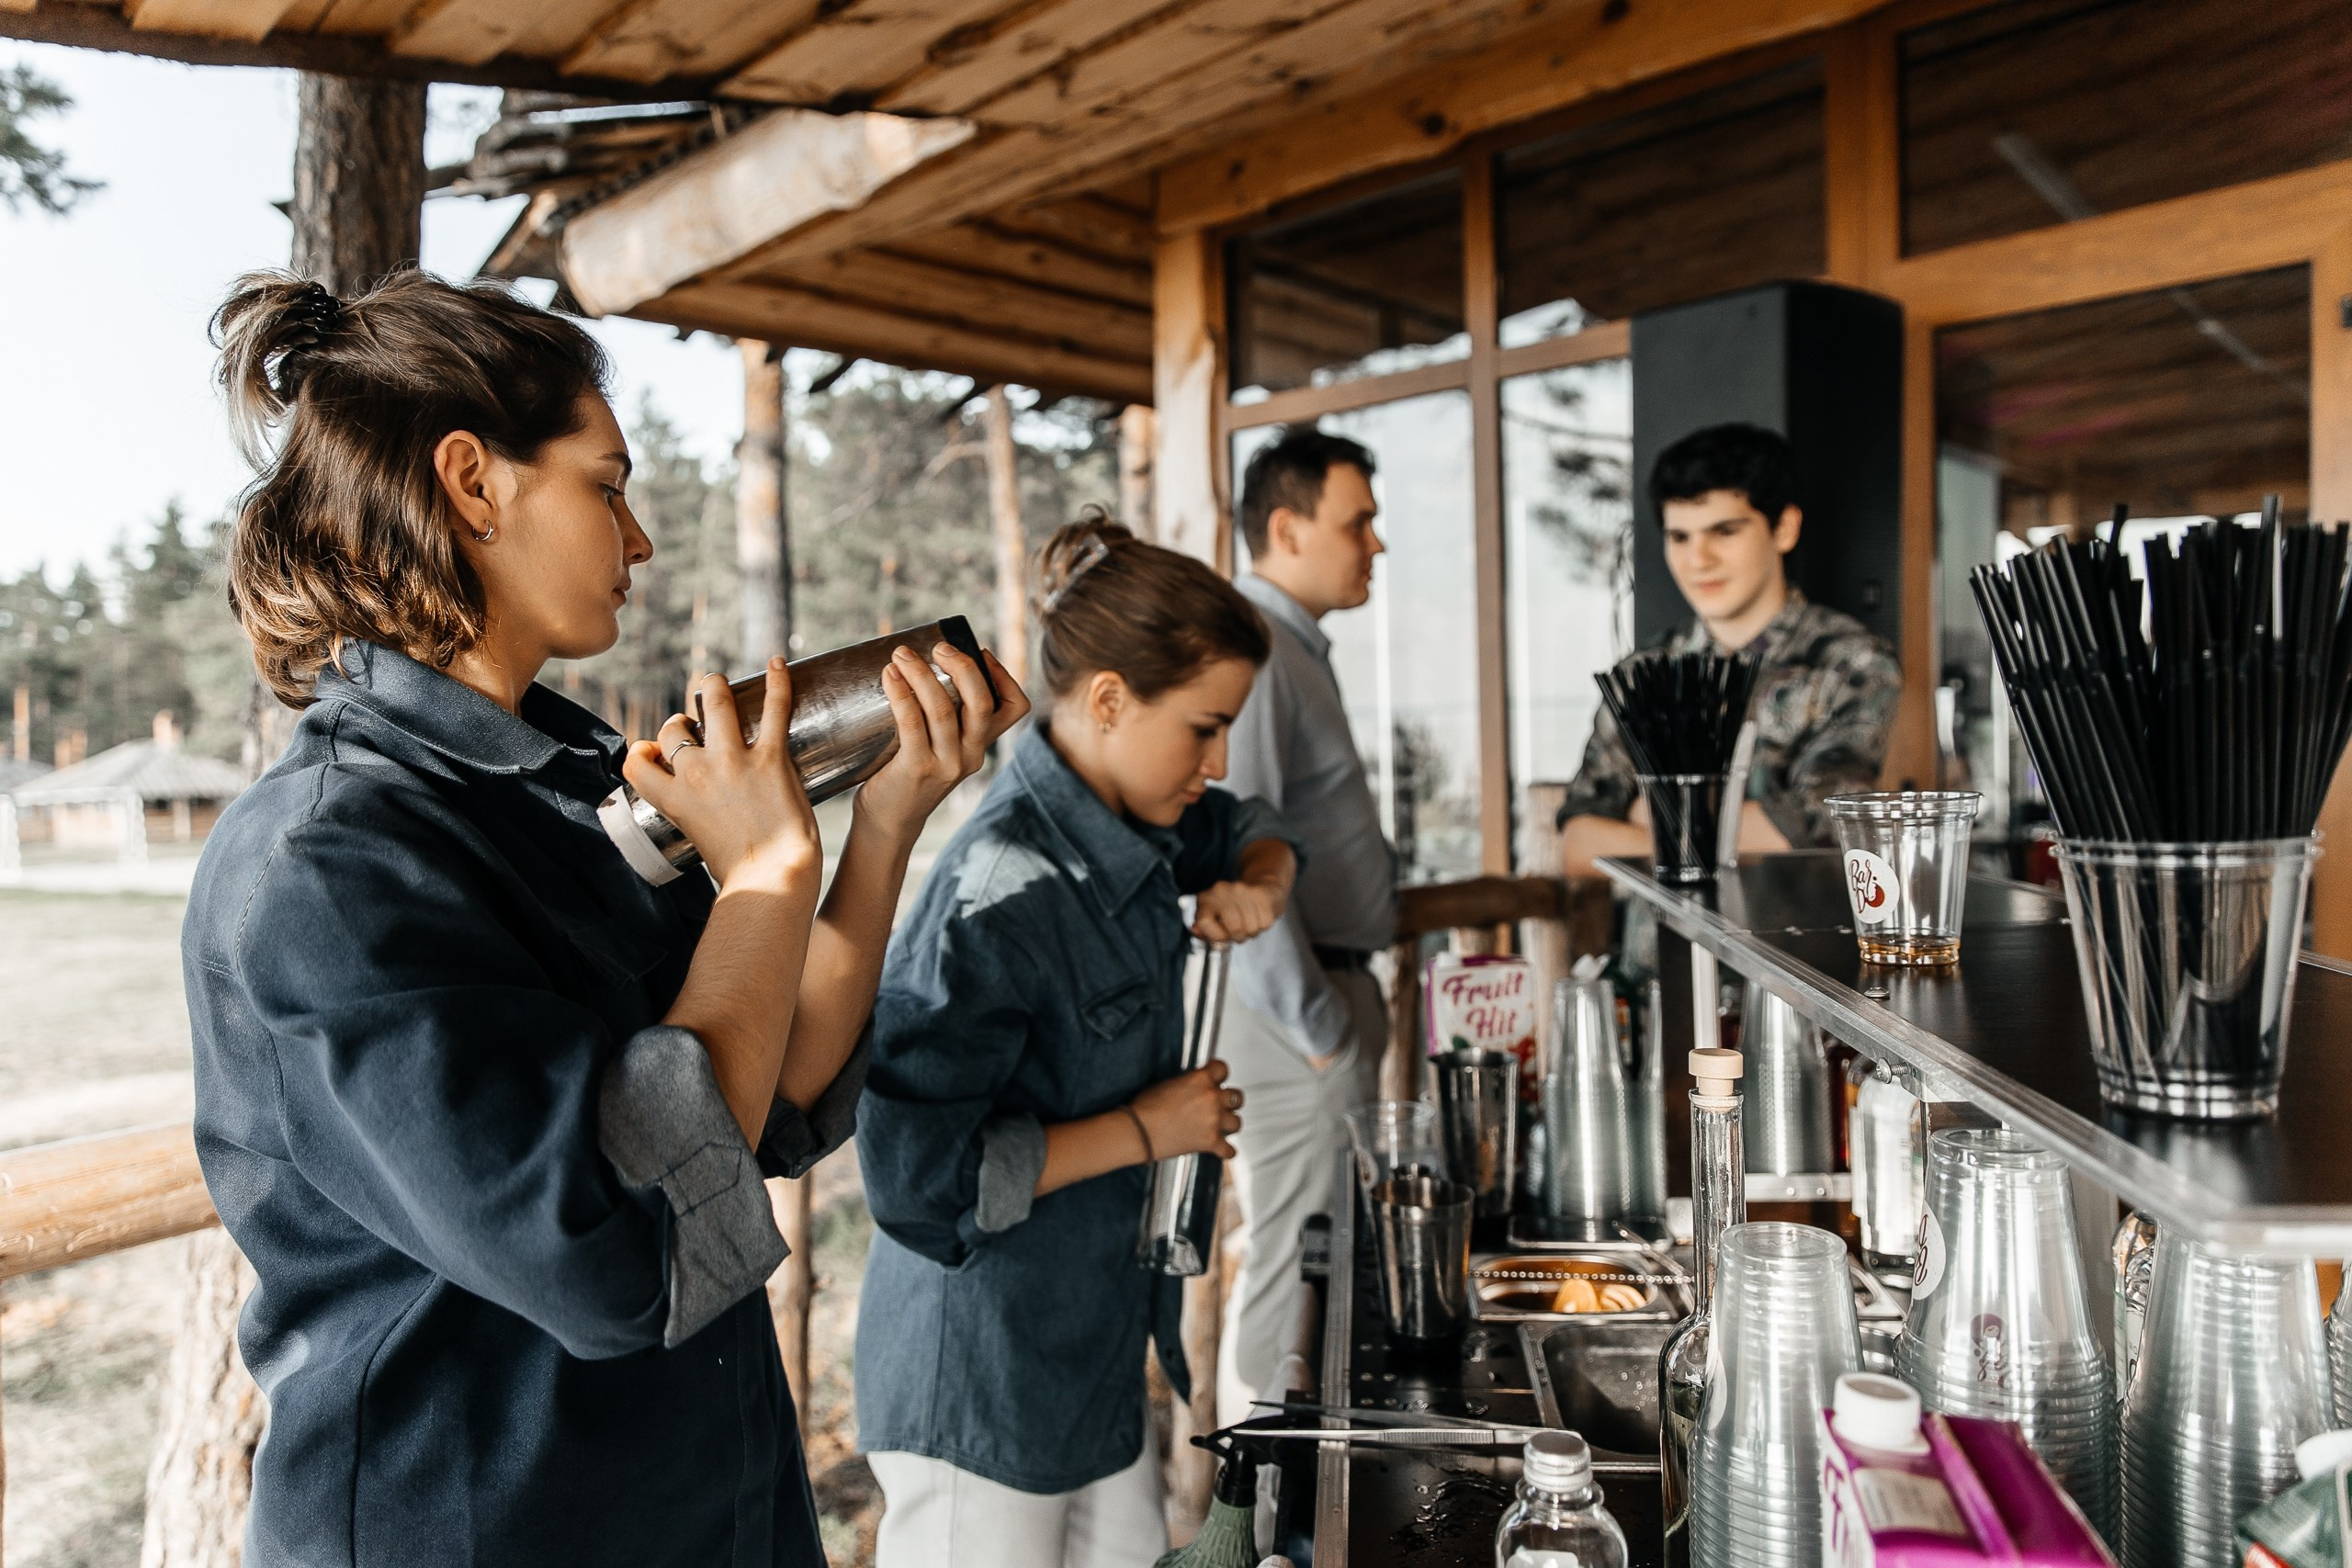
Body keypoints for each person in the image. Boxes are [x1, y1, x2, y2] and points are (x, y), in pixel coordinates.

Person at [182, 270, 1024, 1568]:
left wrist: (890, 819)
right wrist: (759, 881)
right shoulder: (326, 862)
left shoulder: (570, 785)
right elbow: (617, 1237)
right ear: (474, 482)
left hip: (705, 1509)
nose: (638, 542)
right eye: (608, 484)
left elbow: (767, 1091)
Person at [855, 515, 1306, 1568]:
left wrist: (1263, 880)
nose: (1217, 758)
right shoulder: (1000, 890)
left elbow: (1252, 820)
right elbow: (917, 1181)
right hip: (978, 1383)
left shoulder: (1140, 817)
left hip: (1092, 1362)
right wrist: (1150, 1128)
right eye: (1202, 727)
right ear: (1107, 701)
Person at [1215, 425, 1398, 1427]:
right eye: (1357, 521)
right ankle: (1260, 1517)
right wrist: (1321, 1026)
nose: (1375, 544)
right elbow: (1239, 858)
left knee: (1317, 1264)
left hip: (1319, 999)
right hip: (1296, 1016)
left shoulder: (1290, 648)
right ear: (1286, 527)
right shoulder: (1257, 649)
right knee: (1294, 1270)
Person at [1558, 423, 1902, 875]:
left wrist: (1646, 817)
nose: (1698, 559)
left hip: (1778, 943)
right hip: (1657, 945)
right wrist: (1734, 827)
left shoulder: (1851, 662)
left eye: (1724, 531)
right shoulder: (1644, 675)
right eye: (1679, 537)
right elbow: (1578, 844)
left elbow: (1811, 829)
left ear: (1783, 528)